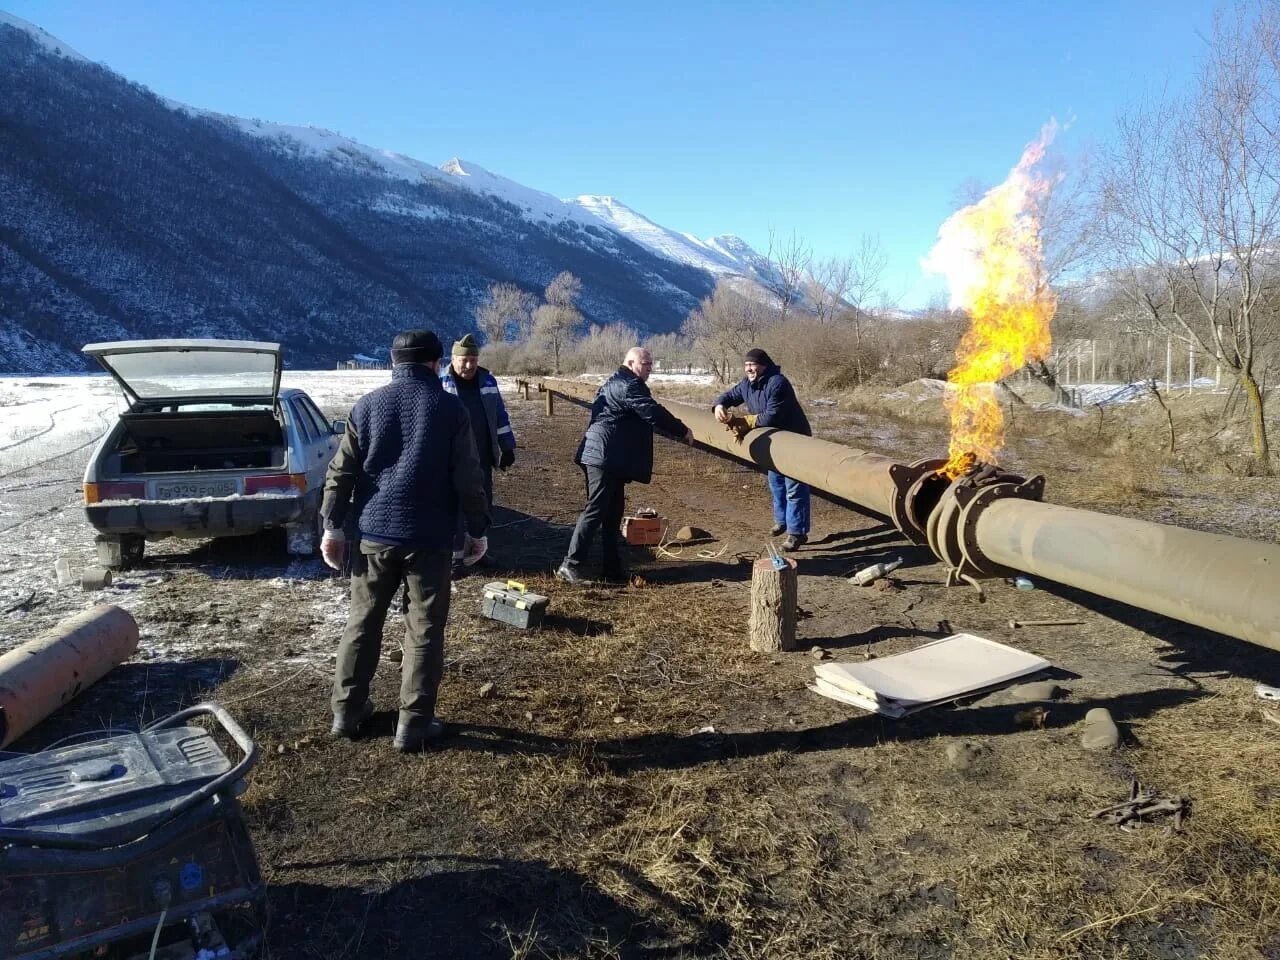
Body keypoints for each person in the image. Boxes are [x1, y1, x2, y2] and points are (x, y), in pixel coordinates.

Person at [320, 329, 489, 753]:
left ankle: (347, 712)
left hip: (374, 535)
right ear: (435, 363)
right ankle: (413, 724)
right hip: (429, 537)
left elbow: (340, 474)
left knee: (362, 622)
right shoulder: (450, 410)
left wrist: (332, 525)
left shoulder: (367, 406)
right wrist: (478, 528)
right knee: (425, 630)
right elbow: (469, 478)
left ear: (394, 363)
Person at [556, 346, 693, 584]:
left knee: (612, 514)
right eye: (644, 363)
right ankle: (570, 565)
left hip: (609, 456)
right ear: (630, 364)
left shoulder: (616, 382)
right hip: (604, 457)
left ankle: (612, 569)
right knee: (596, 509)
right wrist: (683, 430)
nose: (649, 368)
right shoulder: (629, 385)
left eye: (651, 363)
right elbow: (652, 411)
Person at [713, 347, 813, 551]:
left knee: (794, 487)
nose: (749, 369)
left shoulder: (778, 383)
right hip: (773, 440)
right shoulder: (746, 384)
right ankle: (782, 522)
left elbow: (771, 416)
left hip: (794, 440)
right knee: (776, 483)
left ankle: (797, 532)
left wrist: (745, 421)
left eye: (753, 365)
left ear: (763, 366)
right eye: (747, 365)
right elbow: (730, 395)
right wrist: (719, 405)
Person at [439, 334, 517, 576]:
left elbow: (499, 416)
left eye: (473, 359)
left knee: (482, 504)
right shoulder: (440, 381)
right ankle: (454, 558)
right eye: (464, 360)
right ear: (453, 359)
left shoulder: (488, 381)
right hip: (451, 458)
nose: (469, 365)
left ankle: (478, 550)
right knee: (453, 507)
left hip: (482, 456)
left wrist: (507, 446)